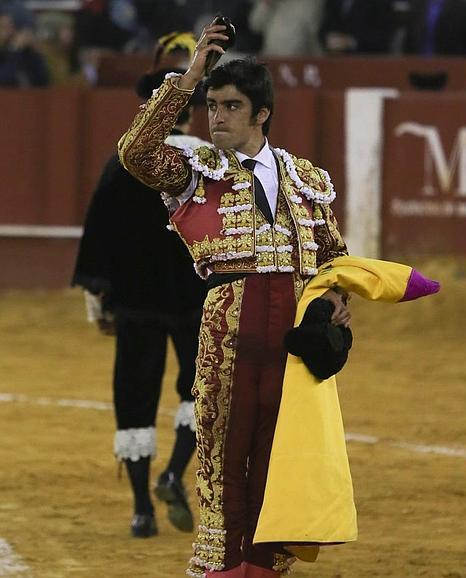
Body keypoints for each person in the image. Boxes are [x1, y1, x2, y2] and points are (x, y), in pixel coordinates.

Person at [118, 21, 355, 577]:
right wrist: (188, 77)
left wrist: (339, 299)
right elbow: (134, 153)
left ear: (261, 114)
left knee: (278, 459)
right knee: (222, 460)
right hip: (227, 332)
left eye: (228, 106)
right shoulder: (196, 172)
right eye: (211, 105)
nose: (214, 116)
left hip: (293, 339)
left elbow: (332, 256)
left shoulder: (305, 179)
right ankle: (220, 569)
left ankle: (266, 567)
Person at [72, 34, 208, 538]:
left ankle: (140, 510)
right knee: (200, 387)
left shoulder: (122, 163)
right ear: (189, 112)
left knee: (135, 396)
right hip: (196, 299)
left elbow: (97, 239)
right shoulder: (208, 163)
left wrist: (99, 300)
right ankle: (173, 472)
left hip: (135, 302)